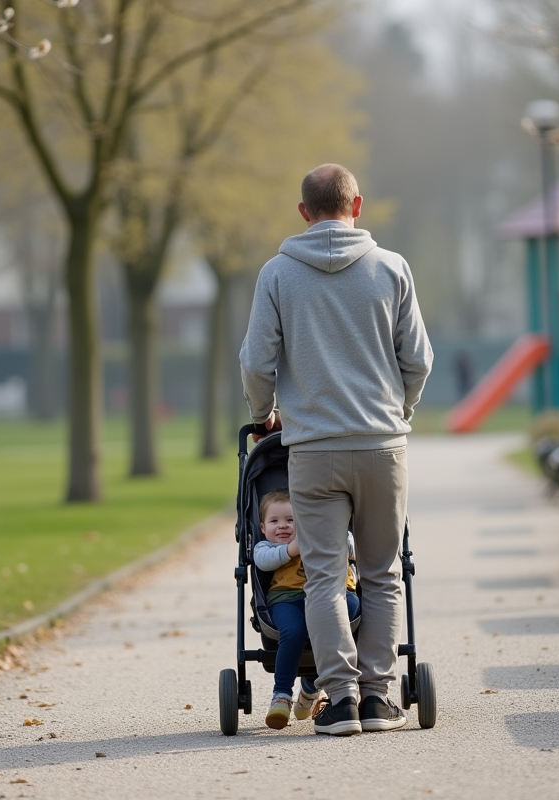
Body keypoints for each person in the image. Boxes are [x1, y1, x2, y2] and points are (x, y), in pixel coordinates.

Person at [240, 164, 433, 736]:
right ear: (358, 205)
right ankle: (378, 699)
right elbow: (418, 359)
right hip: (381, 446)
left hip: (313, 448)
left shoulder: (277, 275)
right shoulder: (392, 269)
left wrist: (261, 414)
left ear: (304, 212)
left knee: (323, 577)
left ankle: (340, 701)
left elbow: (256, 361)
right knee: (381, 574)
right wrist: (401, 412)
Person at [252, 490, 359, 730]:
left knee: (344, 617)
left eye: (291, 520)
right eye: (274, 521)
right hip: (287, 599)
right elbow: (263, 562)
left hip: (334, 594)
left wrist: (332, 535)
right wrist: (294, 547)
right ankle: (281, 695)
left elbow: (353, 549)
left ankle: (312, 686)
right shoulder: (265, 547)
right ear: (262, 527)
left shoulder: (319, 537)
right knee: (294, 632)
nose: (283, 526)